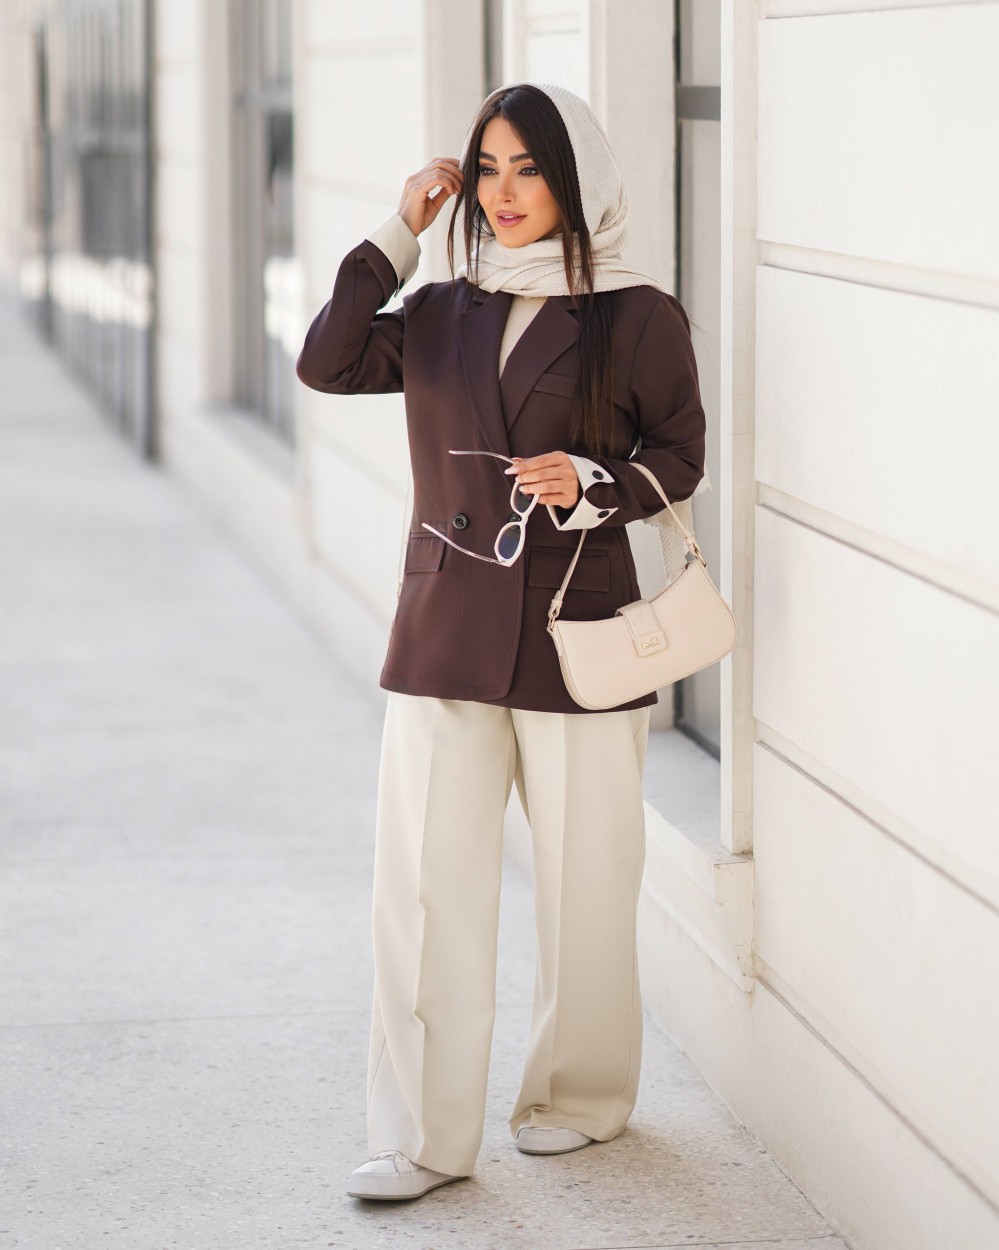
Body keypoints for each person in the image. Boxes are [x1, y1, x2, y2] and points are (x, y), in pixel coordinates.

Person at [296, 81, 707, 1202]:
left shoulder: (637, 313)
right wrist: (399, 231)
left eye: (528, 168)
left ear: (575, 179)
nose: (504, 192)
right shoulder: (441, 307)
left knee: (586, 880)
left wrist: (593, 481)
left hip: (578, 628)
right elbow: (326, 359)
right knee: (426, 887)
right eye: (487, 167)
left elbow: (679, 457)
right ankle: (422, 1136)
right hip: (447, 629)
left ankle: (576, 1096)